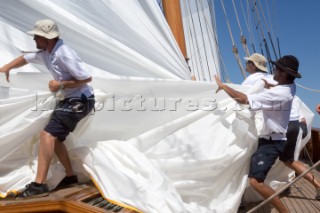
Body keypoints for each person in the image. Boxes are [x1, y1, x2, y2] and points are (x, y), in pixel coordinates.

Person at [0, 19, 95, 198]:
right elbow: (26, 58)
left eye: (37, 36)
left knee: (47, 135)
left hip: (81, 100)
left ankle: (39, 184)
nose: (34, 39)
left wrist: (60, 84)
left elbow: (87, 78)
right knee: (56, 138)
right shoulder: (47, 51)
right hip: (70, 100)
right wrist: (7, 67)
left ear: (47, 38)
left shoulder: (64, 54)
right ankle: (70, 176)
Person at [215, 55, 300, 213]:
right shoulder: (290, 87)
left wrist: (223, 86)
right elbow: (278, 92)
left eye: (277, 69)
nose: (273, 71)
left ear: (283, 74)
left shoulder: (278, 94)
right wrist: (270, 87)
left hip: (272, 142)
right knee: (252, 174)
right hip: (272, 138)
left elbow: (243, 99)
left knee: (256, 181)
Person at [280, 96, 320, 199]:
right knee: (288, 159)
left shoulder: (274, 90)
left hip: (291, 126)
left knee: (286, 159)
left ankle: (283, 185)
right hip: (301, 126)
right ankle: (284, 184)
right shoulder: (291, 93)